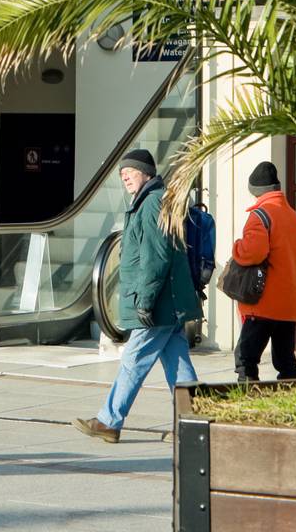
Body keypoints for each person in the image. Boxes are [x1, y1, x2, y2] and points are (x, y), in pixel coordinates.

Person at [75, 149, 200, 443]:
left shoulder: (153, 202)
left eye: (129, 171)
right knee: (179, 368)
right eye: (122, 173)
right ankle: (194, 423)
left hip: (157, 304)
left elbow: (156, 258)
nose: (124, 176)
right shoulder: (149, 201)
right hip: (167, 304)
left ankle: (109, 420)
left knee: (133, 360)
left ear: (146, 172)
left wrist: (144, 300)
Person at [232, 160, 296, 382]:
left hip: (263, 304)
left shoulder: (261, 215)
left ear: (256, 191)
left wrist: (237, 246)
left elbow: (252, 253)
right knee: (286, 362)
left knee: (245, 358)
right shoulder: (294, 218)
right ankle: (291, 400)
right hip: (289, 304)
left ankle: (248, 402)